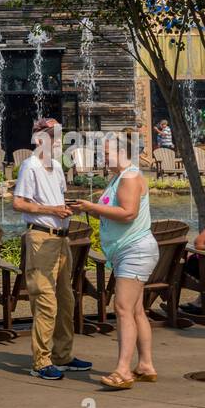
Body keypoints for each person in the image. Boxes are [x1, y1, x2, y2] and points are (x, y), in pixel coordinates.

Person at [75, 132, 160, 389]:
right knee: (135, 310)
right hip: (130, 250)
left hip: (134, 251)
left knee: (122, 309)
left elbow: (128, 213)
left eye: (108, 152)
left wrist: (90, 208)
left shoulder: (130, 177)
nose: (103, 156)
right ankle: (145, 365)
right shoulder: (120, 177)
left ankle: (123, 371)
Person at [12, 118, 91, 381]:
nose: (57, 142)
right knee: (45, 300)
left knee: (66, 301)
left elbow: (56, 199)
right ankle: (41, 361)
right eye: (52, 137)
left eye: (58, 137)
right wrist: (53, 210)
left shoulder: (56, 167)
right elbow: (19, 203)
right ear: (38, 140)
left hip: (61, 240)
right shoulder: (30, 165)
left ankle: (63, 356)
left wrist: (69, 207)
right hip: (41, 239)